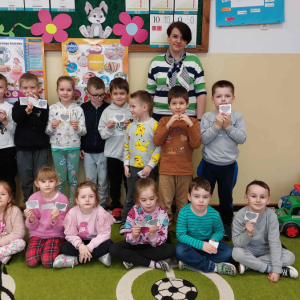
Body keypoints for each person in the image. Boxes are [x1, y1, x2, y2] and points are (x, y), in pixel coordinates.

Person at [197, 80, 247, 241]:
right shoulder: (207, 117)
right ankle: (201, 224)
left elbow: (242, 138)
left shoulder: (238, 117)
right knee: (203, 195)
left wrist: (227, 126)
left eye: (227, 96)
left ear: (233, 98)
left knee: (226, 197)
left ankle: (226, 225)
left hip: (228, 166)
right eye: (219, 96)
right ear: (213, 99)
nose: (223, 99)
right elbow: (204, 139)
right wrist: (217, 125)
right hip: (208, 165)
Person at [232, 180, 298, 281]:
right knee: (236, 253)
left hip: (266, 250)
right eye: (253, 196)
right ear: (246, 198)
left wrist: (276, 270)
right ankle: (267, 268)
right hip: (247, 249)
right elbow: (237, 243)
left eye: (262, 197)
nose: (258, 200)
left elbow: (274, 242)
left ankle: (249, 265)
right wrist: (248, 234)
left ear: (268, 200)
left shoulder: (271, 216)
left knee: (290, 257)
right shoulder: (240, 215)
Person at [153, 86, 201, 225]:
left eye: (181, 103)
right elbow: (157, 141)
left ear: (187, 104)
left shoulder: (193, 122)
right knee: (164, 203)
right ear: (169, 105)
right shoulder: (163, 121)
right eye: (174, 103)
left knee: (183, 203)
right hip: (166, 170)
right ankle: (164, 230)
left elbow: (196, 144)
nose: (178, 107)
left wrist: (189, 125)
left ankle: (182, 230)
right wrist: (168, 124)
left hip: (185, 171)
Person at [146, 21, 206, 122]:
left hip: (188, 117)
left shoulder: (194, 61)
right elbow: (149, 95)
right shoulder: (155, 62)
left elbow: (201, 93)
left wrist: (199, 121)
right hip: (160, 118)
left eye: (183, 38)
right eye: (175, 36)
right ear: (168, 37)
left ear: (186, 41)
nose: (178, 41)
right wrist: (146, 120)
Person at [119, 91, 161, 235]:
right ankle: (125, 222)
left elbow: (159, 148)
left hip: (150, 170)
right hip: (132, 168)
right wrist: (126, 164)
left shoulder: (155, 126)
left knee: (149, 197)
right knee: (131, 196)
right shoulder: (130, 126)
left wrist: (150, 165)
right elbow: (126, 146)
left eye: (132, 106)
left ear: (145, 107)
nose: (130, 109)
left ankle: (149, 222)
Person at [109, 178, 174, 271]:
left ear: (157, 196)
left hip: (153, 247)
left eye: (151, 199)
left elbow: (162, 239)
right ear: (138, 199)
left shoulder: (162, 213)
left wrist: (153, 235)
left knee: (170, 250)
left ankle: (131, 258)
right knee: (113, 249)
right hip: (136, 244)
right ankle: (153, 264)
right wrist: (134, 235)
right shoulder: (134, 211)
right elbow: (128, 236)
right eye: (143, 200)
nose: (148, 203)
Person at [175, 177, 236, 275]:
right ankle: (212, 266)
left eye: (205, 197)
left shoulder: (214, 214)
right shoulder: (183, 212)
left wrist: (213, 240)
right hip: (190, 244)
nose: (201, 201)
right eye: (196, 196)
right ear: (189, 197)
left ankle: (191, 260)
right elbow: (181, 235)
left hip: (208, 243)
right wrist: (201, 245)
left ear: (210, 197)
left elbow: (220, 231)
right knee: (178, 250)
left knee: (229, 252)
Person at [53, 181, 115, 268]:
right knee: (64, 247)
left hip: (95, 241)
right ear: (77, 200)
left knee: (109, 244)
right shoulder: (72, 213)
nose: (87, 200)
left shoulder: (101, 212)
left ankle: (75, 260)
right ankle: (99, 256)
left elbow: (104, 234)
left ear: (96, 199)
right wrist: (81, 246)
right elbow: (70, 234)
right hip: (79, 242)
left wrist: (90, 246)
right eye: (83, 197)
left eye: (91, 196)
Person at [46, 76, 86, 206]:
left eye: (68, 90)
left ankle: (73, 206)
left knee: (73, 180)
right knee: (61, 180)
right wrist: (52, 126)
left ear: (73, 91)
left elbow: (84, 131)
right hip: (57, 148)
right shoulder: (52, 109)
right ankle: (62, 205)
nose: (65, 92)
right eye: (62, 89)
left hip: (74, 147)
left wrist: (78, 127)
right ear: (57, 90)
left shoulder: (78, 109)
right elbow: (47, 131)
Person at [12, 72, 49, 203]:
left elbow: (41, 126)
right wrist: (25, 109)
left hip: (40, 148)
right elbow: (17, 119)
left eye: (32, 88)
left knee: (42, 178)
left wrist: (32, 113)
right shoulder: (18, 105)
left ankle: (42, 205)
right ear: (20, 89)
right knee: (26, 179)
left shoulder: (43, 104)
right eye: (25, 88)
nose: (29, 91)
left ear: (39, 88)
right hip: (23, 148)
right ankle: (29, 205)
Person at [98, 78, 131, 222]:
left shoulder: (131, 110)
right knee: (115, 183)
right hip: (112, 154)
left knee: (129, 183)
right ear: (110, 94)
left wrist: (130, 125)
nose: (119, 96)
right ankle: (116, 207)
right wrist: (109, 128)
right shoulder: (106, 112)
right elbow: (102, 134)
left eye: (122, 93)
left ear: (127, 94)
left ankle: (130, 208)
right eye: (115, 93)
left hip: (129, 155)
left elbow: (138, 132)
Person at [24, 167, 69, 268]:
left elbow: (63, 227)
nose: (47, 184)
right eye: (43, 181)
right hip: (37, 234)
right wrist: (31, 218)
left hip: (55, 234)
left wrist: (55, 219)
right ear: (37, 184)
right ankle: (44, 249)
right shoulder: (33, 198)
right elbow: (30, 227)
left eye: (51, 181)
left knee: (48, 262)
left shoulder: (62, 199)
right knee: (31, 261)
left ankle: (56, 251)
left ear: (57, 182)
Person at [80, 77, 109, 208]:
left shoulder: (108, 108)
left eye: (102, 95)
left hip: (104, 151)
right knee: (90, 180)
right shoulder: (83, 108)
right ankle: (91, 204)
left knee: (103, 180)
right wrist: (81, 147)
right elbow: (80, 130)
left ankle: (101, 203)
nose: (99, 98)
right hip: (87, 151)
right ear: (88, 94)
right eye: (95, 95)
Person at [0, 181, 26, 264]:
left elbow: (19, 233)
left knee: (21, 243)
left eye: (3, 194)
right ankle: (3, 256)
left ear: (9, 199)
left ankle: (2, 254)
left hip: (9, 241)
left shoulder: (14, 211)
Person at [0, 74, 17, 196]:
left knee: (9, 181)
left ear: (6, 90)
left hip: (8, 149)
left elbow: (16, 131)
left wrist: (5, 121)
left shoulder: (10, 108)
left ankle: (11, 211)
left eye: (0, 87)